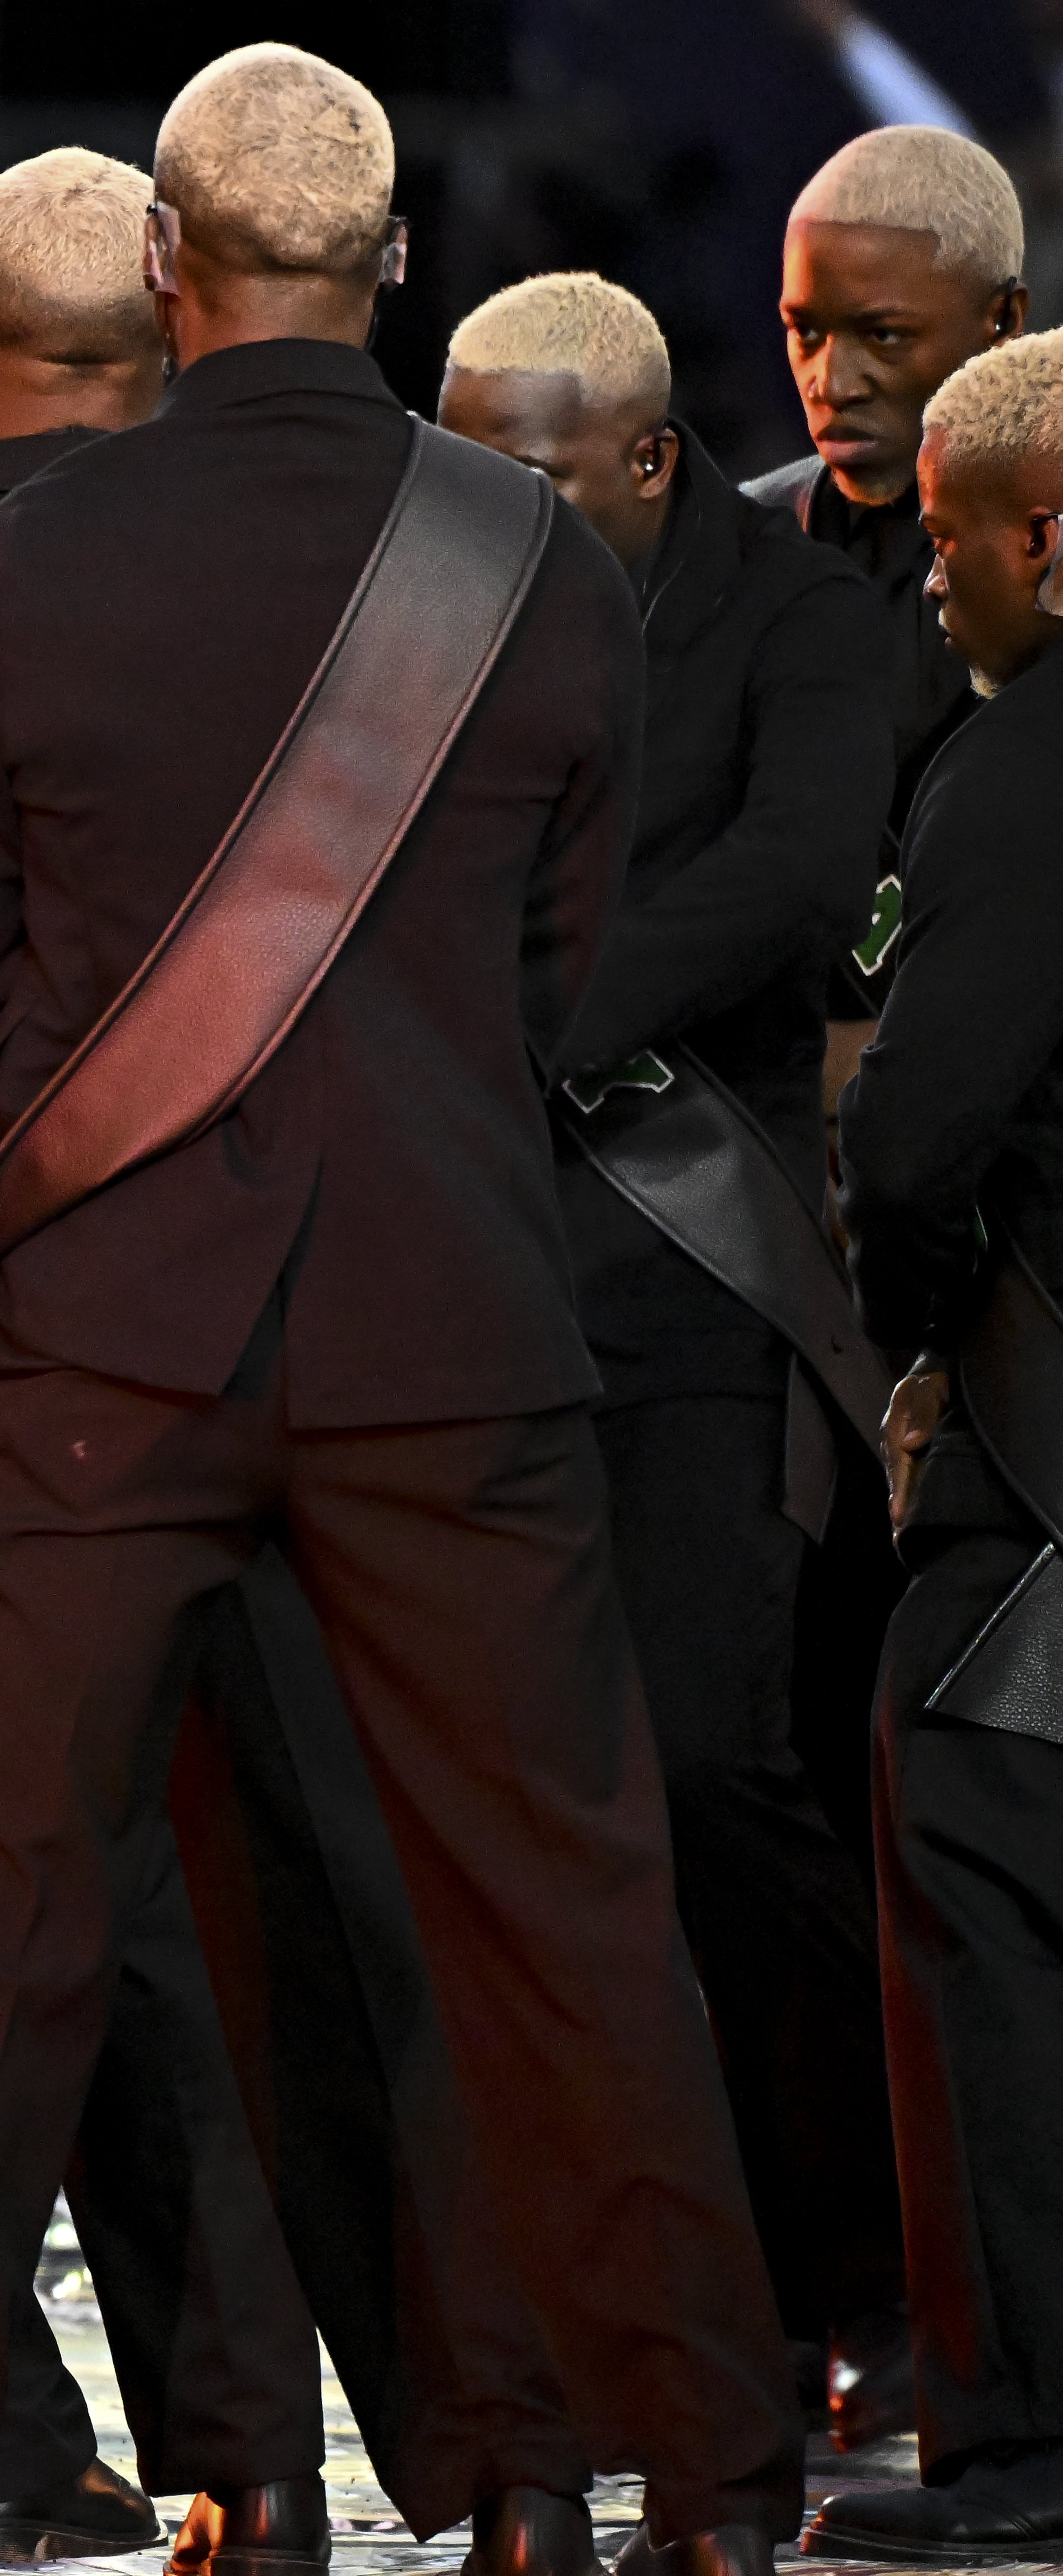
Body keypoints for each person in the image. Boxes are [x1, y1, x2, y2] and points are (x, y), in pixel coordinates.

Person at [0, 45, 804, 2576]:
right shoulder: (536, 566)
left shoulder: (6, 569)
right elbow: (557, 969)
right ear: (394, 261)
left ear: (175, 282)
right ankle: (668, 2502)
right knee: (560, 1924)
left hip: (100, 1345)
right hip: (456, 1324)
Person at [441, 270, 911, 2430]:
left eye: (527, 468)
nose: (480, 502)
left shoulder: (803, 627)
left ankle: (863, 2260)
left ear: (644, 460)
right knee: (515, 1803)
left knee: (723, 1768)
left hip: (695, 1268)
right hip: (451, 1265)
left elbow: (806, 880)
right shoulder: (421, 583)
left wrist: (523, 1020)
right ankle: (623, 2287)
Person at [817, 326, 1063, 2563]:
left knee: (978, 1909)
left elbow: (909, 1137)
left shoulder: (1007, 779)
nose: (926, 578)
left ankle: (1008, 2441)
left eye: (956, 538)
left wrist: (903, 1344)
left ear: (1045, 542)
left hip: (1027, 1471)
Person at [751, 125, 1023, 827]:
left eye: (882, 336)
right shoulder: (727, 557)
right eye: (803, 332)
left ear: (1001, 323)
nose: (830, 383)